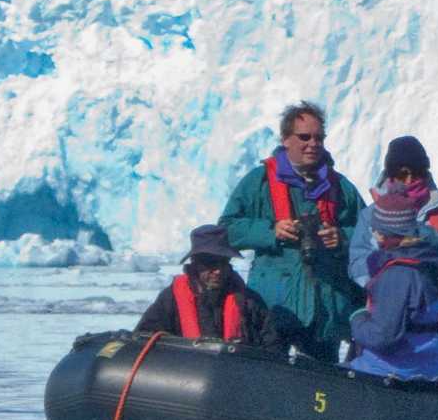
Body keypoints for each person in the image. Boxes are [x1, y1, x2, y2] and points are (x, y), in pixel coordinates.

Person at [219, 100, 363, 361]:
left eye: (319, 138)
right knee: (267, 375)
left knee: (320, 380)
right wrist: (270, 232)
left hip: (324, 309)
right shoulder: (259, 182)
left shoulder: (341, 187)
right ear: (285, 139)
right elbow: (226, 229)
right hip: (273, 307)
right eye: (304, 137)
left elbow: (369, 236)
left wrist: (342, 237)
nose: (313, 144)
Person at [347, 134, 438, 358]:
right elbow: (357, 263)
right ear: (389, 174)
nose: (408, 180)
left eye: (416, 173)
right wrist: (392, 285)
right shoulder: (371, 215)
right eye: (401, 174)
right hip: (385, 319)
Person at [346, 187, 438, 382]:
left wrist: (357, 318)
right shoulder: (437, 264)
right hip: (434, 370)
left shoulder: (397, 274)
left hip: (388, 372)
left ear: (383, 233)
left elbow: (383, 336)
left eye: (375, 229)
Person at [133, 224, 277, 345]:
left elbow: (271, 346)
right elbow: (143, 339)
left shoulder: (249, 301)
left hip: (235, 368)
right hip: (186, 368)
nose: (218, 271)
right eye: (210, 263)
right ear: (195, 264)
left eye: (223, 263)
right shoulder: (170, 299)